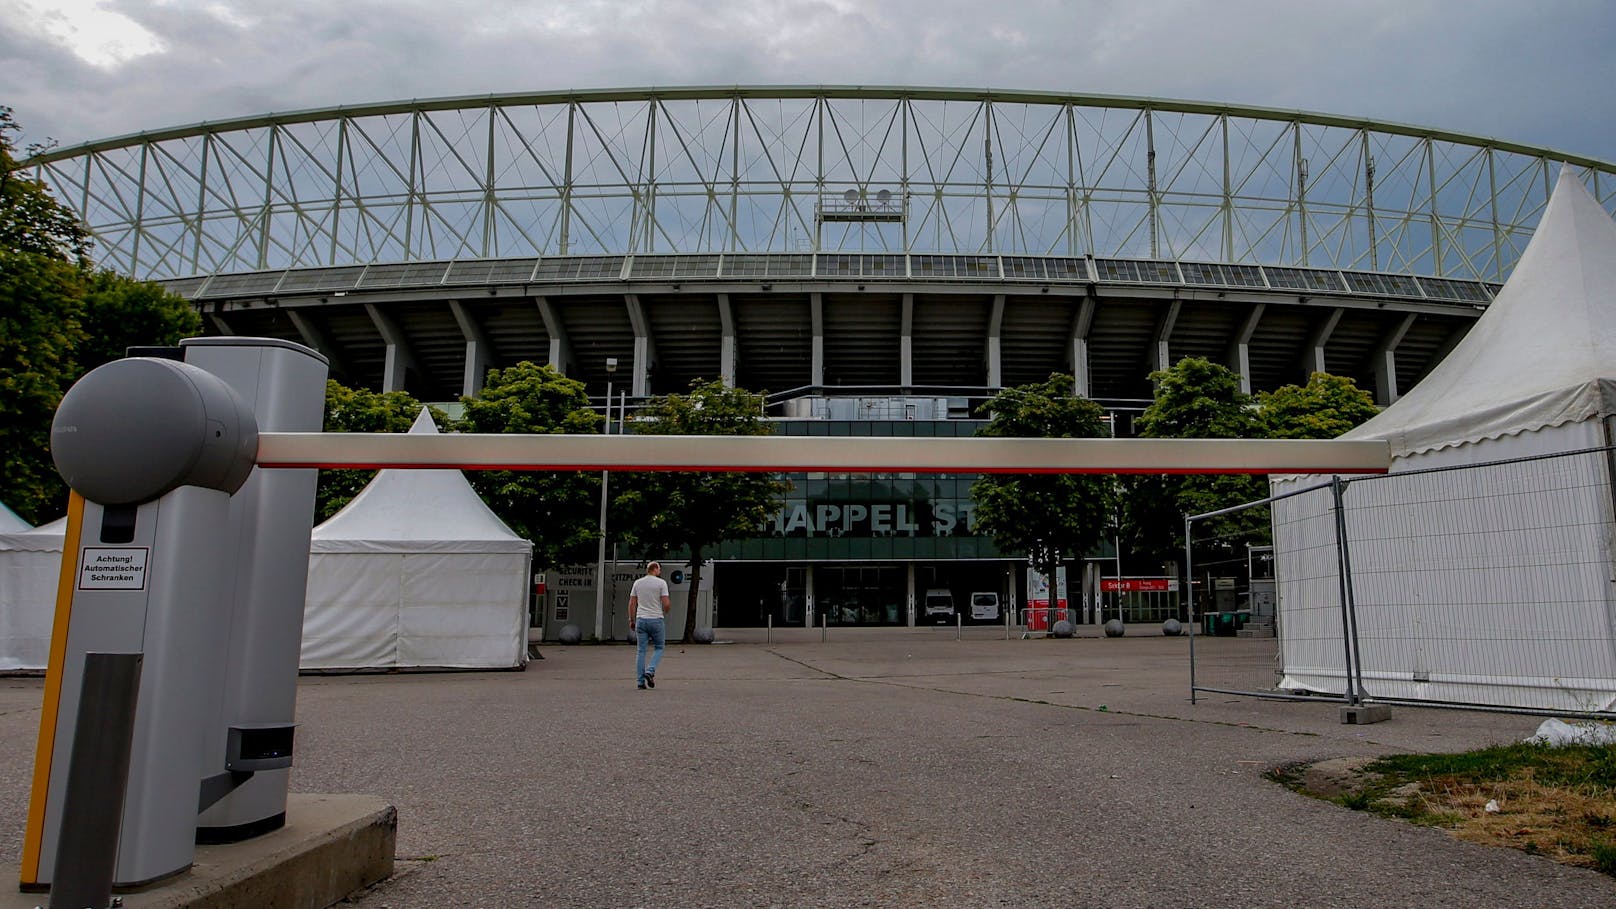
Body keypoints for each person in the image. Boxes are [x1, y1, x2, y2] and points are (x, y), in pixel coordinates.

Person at [629, 561, 671, 689]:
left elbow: (632, 604)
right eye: (659, 569)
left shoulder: (638, 583)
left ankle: (640, 682)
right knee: (659, 647)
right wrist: (666, 611)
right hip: (656, 619)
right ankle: (650, 670)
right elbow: (666, 602)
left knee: (641, 651)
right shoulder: (661, 583)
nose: (660, 571)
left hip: (641, 619)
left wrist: (631, 620)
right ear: (655, 569)